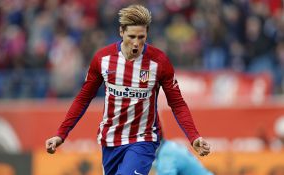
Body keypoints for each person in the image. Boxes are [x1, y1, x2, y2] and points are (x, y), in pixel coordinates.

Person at [45, 4, 210, 175]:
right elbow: (83, 99)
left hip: (143, 140)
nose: (136, 44)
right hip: (110, 141)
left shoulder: (159, 62)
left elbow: (177, 103)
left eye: (142, 37)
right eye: (132, 36)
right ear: (121, 32)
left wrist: (194, 137)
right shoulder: (103, 59)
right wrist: (61, 134)